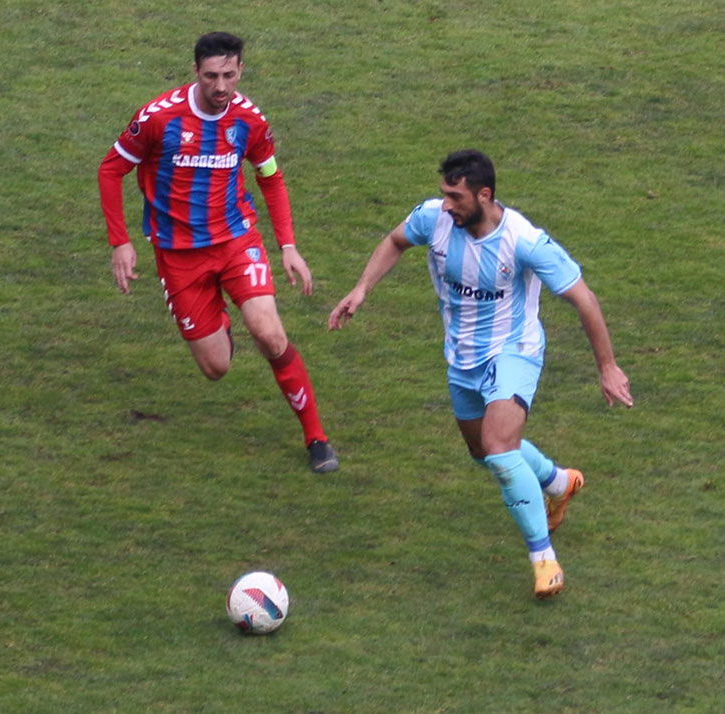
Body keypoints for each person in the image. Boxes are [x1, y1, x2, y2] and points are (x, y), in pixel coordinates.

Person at [329, 149, 633, 598]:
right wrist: (361, 289)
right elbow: (395, 241)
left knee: (499, 449)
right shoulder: (434, 219)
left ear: (484, 195)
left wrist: (607, 367)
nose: (446, 204)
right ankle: (558, 482)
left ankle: (544, 560)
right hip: (462, 357)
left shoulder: (524, 241)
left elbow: (583, 298)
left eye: (456, 197)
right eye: (444, 194)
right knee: (482, 451)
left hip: (514, 351)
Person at [98, 31, 338, 473]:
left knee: (269, 334)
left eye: (229, 75)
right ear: (195, 71)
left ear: (241, 70)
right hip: (179, 256)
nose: (221, 86)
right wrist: (120, 241)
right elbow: (111, 169)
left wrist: (287, 245)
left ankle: (316, 438)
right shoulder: (158, 118)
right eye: (211, 76)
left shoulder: (250, 120)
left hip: (235, 242)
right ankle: (220, 322)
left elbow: (270, 177)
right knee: (216, 368)